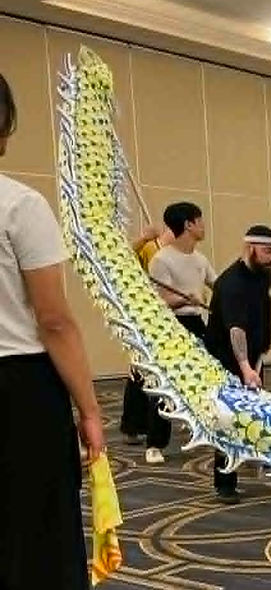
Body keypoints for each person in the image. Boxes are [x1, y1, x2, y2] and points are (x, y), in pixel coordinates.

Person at [1, 72, 105, 590]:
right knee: (36, 529)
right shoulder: (19, 204)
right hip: (18, 390)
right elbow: (55, 321)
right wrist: (90, 410)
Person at [204, 225, 271, 503]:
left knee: (253, 412)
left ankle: (252, 456)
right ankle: (224, 483)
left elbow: (263, 307)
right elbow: (236, 329)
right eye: (267, 251)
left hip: (252, 357)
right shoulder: (231, 283)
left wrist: (264, 342)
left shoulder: (263, 272)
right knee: (228, 420)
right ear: (250, 248)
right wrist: (245, 368)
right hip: (227, 360)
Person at [145, 201, 216, 464]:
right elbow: (160, 301)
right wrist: (185, 298)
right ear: (188, 225)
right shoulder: (161, 259)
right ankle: (155, 444)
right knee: (165, 385)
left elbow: (217, 284)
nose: (203, 226)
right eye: (200, 220)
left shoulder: (200, 259)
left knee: (210, 378)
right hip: (171, 326)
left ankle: (209, 431)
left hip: (196, 323)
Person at [120, 222, 173, 444]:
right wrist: (142, 238)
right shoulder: (150, 248)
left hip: (171, 318)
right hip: (145, 315)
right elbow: (123, 259)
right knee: (141, 372)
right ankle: (133, 426)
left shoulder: (179, 253)